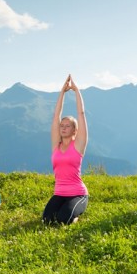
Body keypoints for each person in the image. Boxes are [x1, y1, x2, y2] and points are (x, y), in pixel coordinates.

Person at [42, 74, 89, 224]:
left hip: (78, 194)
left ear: (75, 130)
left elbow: (81, 114)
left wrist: (76, 91)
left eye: (67, 126)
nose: (63, 128)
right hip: (59, 193)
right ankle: (65, 211)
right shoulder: (56, 145)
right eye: (61, 125)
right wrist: (62, 92)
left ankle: (74, 215)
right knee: (47, 220)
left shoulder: (79, 144)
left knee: (63, 220)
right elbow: (56, 115)